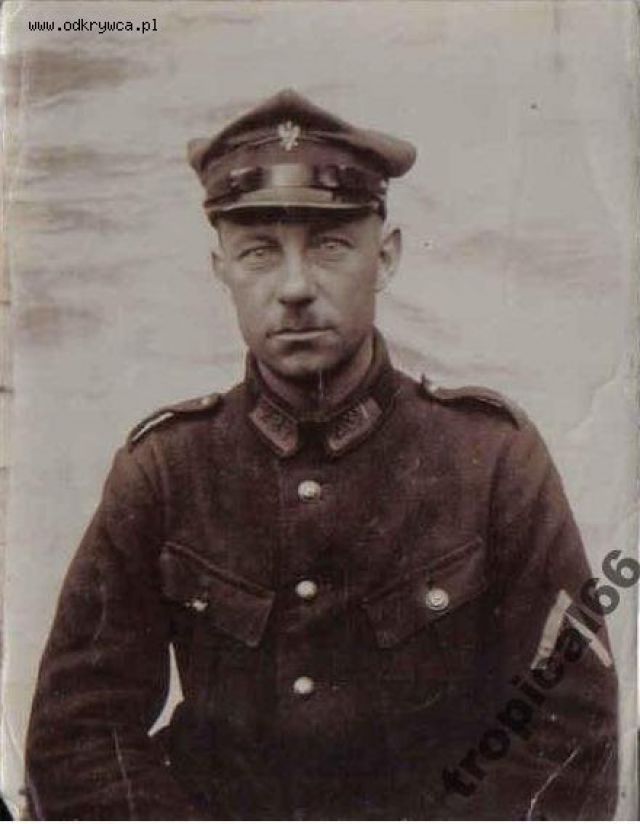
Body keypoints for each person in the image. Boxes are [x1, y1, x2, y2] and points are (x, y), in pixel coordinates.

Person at [25, 89, 618, 820]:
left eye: (330, 245)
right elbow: (77, 736)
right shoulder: (166, 471)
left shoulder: (492, 460)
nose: (296, 287)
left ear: (386, 257)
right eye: (259, 252)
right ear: (221, 269)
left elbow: (569, 731)